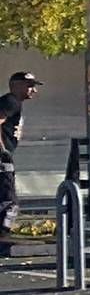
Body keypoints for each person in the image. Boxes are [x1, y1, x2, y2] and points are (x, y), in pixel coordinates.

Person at [0, 71, 35, 229]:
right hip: (2, 158)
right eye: (30, 86)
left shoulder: (13, 103)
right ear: (17, 86)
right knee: (9, 202)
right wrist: (2, 151)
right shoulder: (11, 101)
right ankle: (3, 233)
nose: (34, 90)